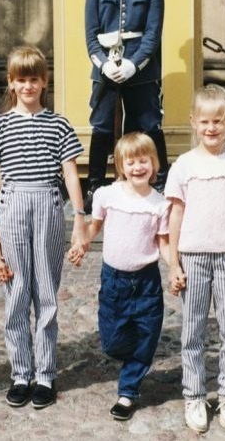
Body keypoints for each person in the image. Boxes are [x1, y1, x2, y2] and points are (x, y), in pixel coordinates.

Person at [0, 45, 88, 410]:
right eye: (21, 79)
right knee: (16, 290)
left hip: (48, 205)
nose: (28, 86)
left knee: (45, 292)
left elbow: (70, 174)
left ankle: (45, 372)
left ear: (45, 82)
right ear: (11, 83)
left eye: (34, 79)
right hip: (12, 206)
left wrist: (79, 219)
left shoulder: (58, 124)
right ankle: (20, 372)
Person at [165, 84, 225, 433]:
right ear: (193, 121)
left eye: (218, 121)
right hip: (194, 257)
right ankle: (194, 395)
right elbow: (175, 215)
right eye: (204, 121)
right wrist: (174, 262)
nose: (211, 128)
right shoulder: (184, 166)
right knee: (193, 329)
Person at [69, 132, 170, 421]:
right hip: (114, 280)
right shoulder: (107, 195)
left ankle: (128, 390)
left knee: (147, 336)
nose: (138, 167)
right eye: (131, 162)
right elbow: (94, 227)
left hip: (147, 281)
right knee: (112, 341)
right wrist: (81, 244)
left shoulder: (159, 204)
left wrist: (176, 267)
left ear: (154, 164)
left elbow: (163, 242)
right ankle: (131, 356)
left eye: (144, 161)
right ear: (121, 166)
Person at [84, 0, 169, 211]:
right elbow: (91, 36)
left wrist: (135, 64)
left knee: (147, 124)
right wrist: (103, 63)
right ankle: (95, 185)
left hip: (140, 69)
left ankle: (159, 181)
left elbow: (152, 35)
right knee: (102, 126)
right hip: (106, 67)